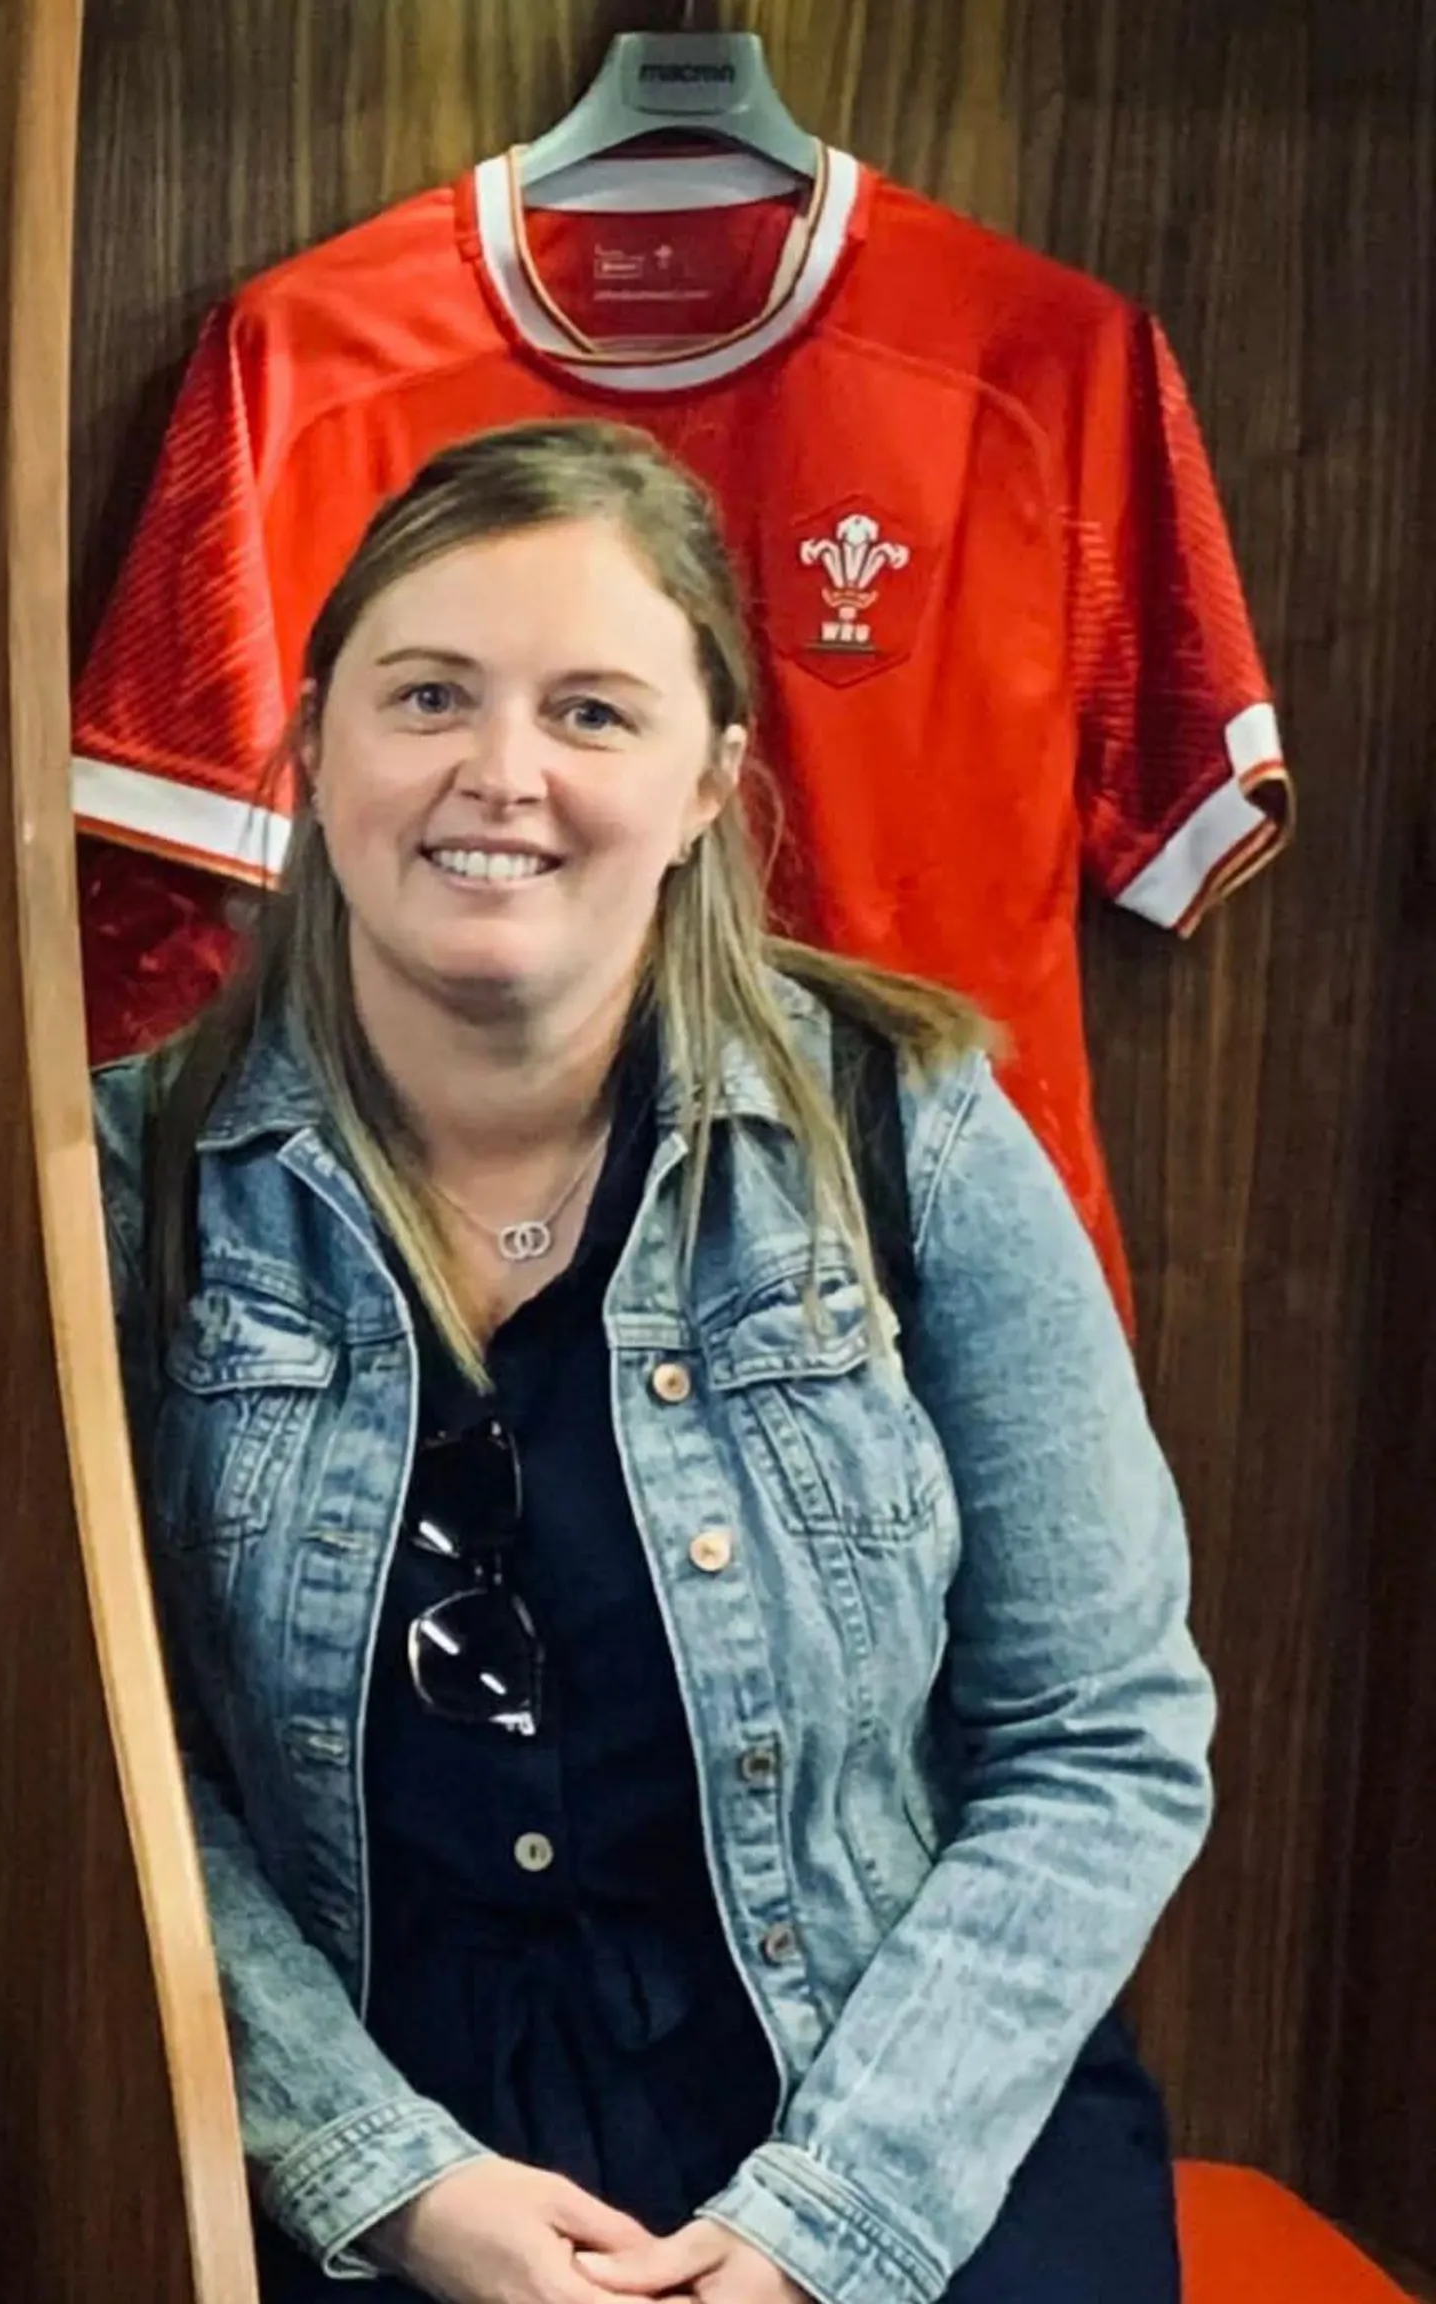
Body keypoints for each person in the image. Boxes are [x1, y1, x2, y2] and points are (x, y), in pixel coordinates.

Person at [94, 416, 1216, 2304]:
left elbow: (1101, 1740)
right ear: (312, 742)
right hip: (355, 2162)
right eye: (429, 693)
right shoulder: (128, 1186)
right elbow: (106, 1779)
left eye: (594, 712)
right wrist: (386, 2180)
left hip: (895, 2129)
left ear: (712, 781)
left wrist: (821, 2230)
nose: (499, 773)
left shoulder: (911, 1128)